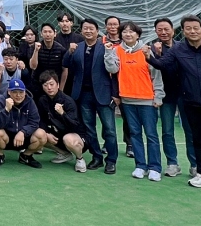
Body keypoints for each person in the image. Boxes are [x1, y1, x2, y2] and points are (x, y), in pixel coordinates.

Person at [145, 15, 201, 188]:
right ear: (183, 31)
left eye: (196, 28)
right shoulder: (178, 50)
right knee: (199, 140)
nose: (192, 31)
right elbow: (162, 64)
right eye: (188, 28)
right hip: (192, 103)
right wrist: (149, 56)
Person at [104, 21, 164, 182]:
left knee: (151, 135)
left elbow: (156, 75)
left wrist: (158, 96)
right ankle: (140, 165)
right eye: (124, 32)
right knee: (135, 134)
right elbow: (112, 69)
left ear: (138, 35)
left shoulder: (146, 50)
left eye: (131, 32)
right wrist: (108, 52)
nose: (128, 34)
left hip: (147, 101)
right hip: (127, 100)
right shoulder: (116, 50)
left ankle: (155, 167)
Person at [62, 18, 119, 174]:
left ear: (97, 31)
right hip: (83, 94)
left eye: (91, 28)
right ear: (81, 31)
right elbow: (65, 64)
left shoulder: (106, 46)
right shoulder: (77, 47)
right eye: (85, 28)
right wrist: (69, 51)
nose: (88, 31)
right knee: (89, 128)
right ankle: (97, 157)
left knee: (109, 129)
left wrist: (115, 94)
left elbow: (114, 71)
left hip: (103, 94)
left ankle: (111, 161)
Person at [151, 17, 196, 177]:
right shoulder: (151, 50)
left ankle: (195, 164)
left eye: (166, 29)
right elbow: (155, 69)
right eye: (160, 30)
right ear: (156, 32)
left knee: (190, 130)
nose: (163, 32)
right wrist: (157, 55)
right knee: (167, 131)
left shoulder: (184, 47)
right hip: (166, 96)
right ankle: (172, 163)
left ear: (173, 30)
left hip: (186, 95)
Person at [0, 78, 47, 169]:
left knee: (42, 134)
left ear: (25, 92)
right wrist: (6, 110)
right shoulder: (1, 100)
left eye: (21, 92)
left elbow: (35, 122)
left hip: (24, 137)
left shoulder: (30, 102)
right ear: (9, 92)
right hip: (6, 137)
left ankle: (26, 156)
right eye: (15, 92)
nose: (18, 95)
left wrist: (23, 132)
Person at [37, 70, 88, 173]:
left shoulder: (68, 101)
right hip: (58, 134)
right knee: (39, 134)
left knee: (68, 139)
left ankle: (80, 159)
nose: (49, 88)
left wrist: (62, 113)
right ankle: (65, 154)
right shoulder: (43, 100)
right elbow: (41, 120)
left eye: (51, 84)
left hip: (76, 136)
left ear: (58, 84)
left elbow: (74, 125)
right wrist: (46, 134)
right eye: (46, 85)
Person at [102, 16, 133, 157]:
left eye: (115, 24)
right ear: (106, 27)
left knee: (128, 116)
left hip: (124, 84)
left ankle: (130, 144)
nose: (112, 27)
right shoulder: (101, 41)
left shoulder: (126, 42)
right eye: (110, 24)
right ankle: (107, 142)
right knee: (106, 116)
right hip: (105, 84)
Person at [29, 23, 68, 98]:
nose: (47, 34)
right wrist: (36, 51)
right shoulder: (34, 47)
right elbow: (33, 66)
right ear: (41, 34)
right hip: (38, 84)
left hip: (54, 85)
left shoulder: (61, 49)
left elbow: (65, 70)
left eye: (50, 32)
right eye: (45, 32)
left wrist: (61, 89)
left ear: (55, 34)